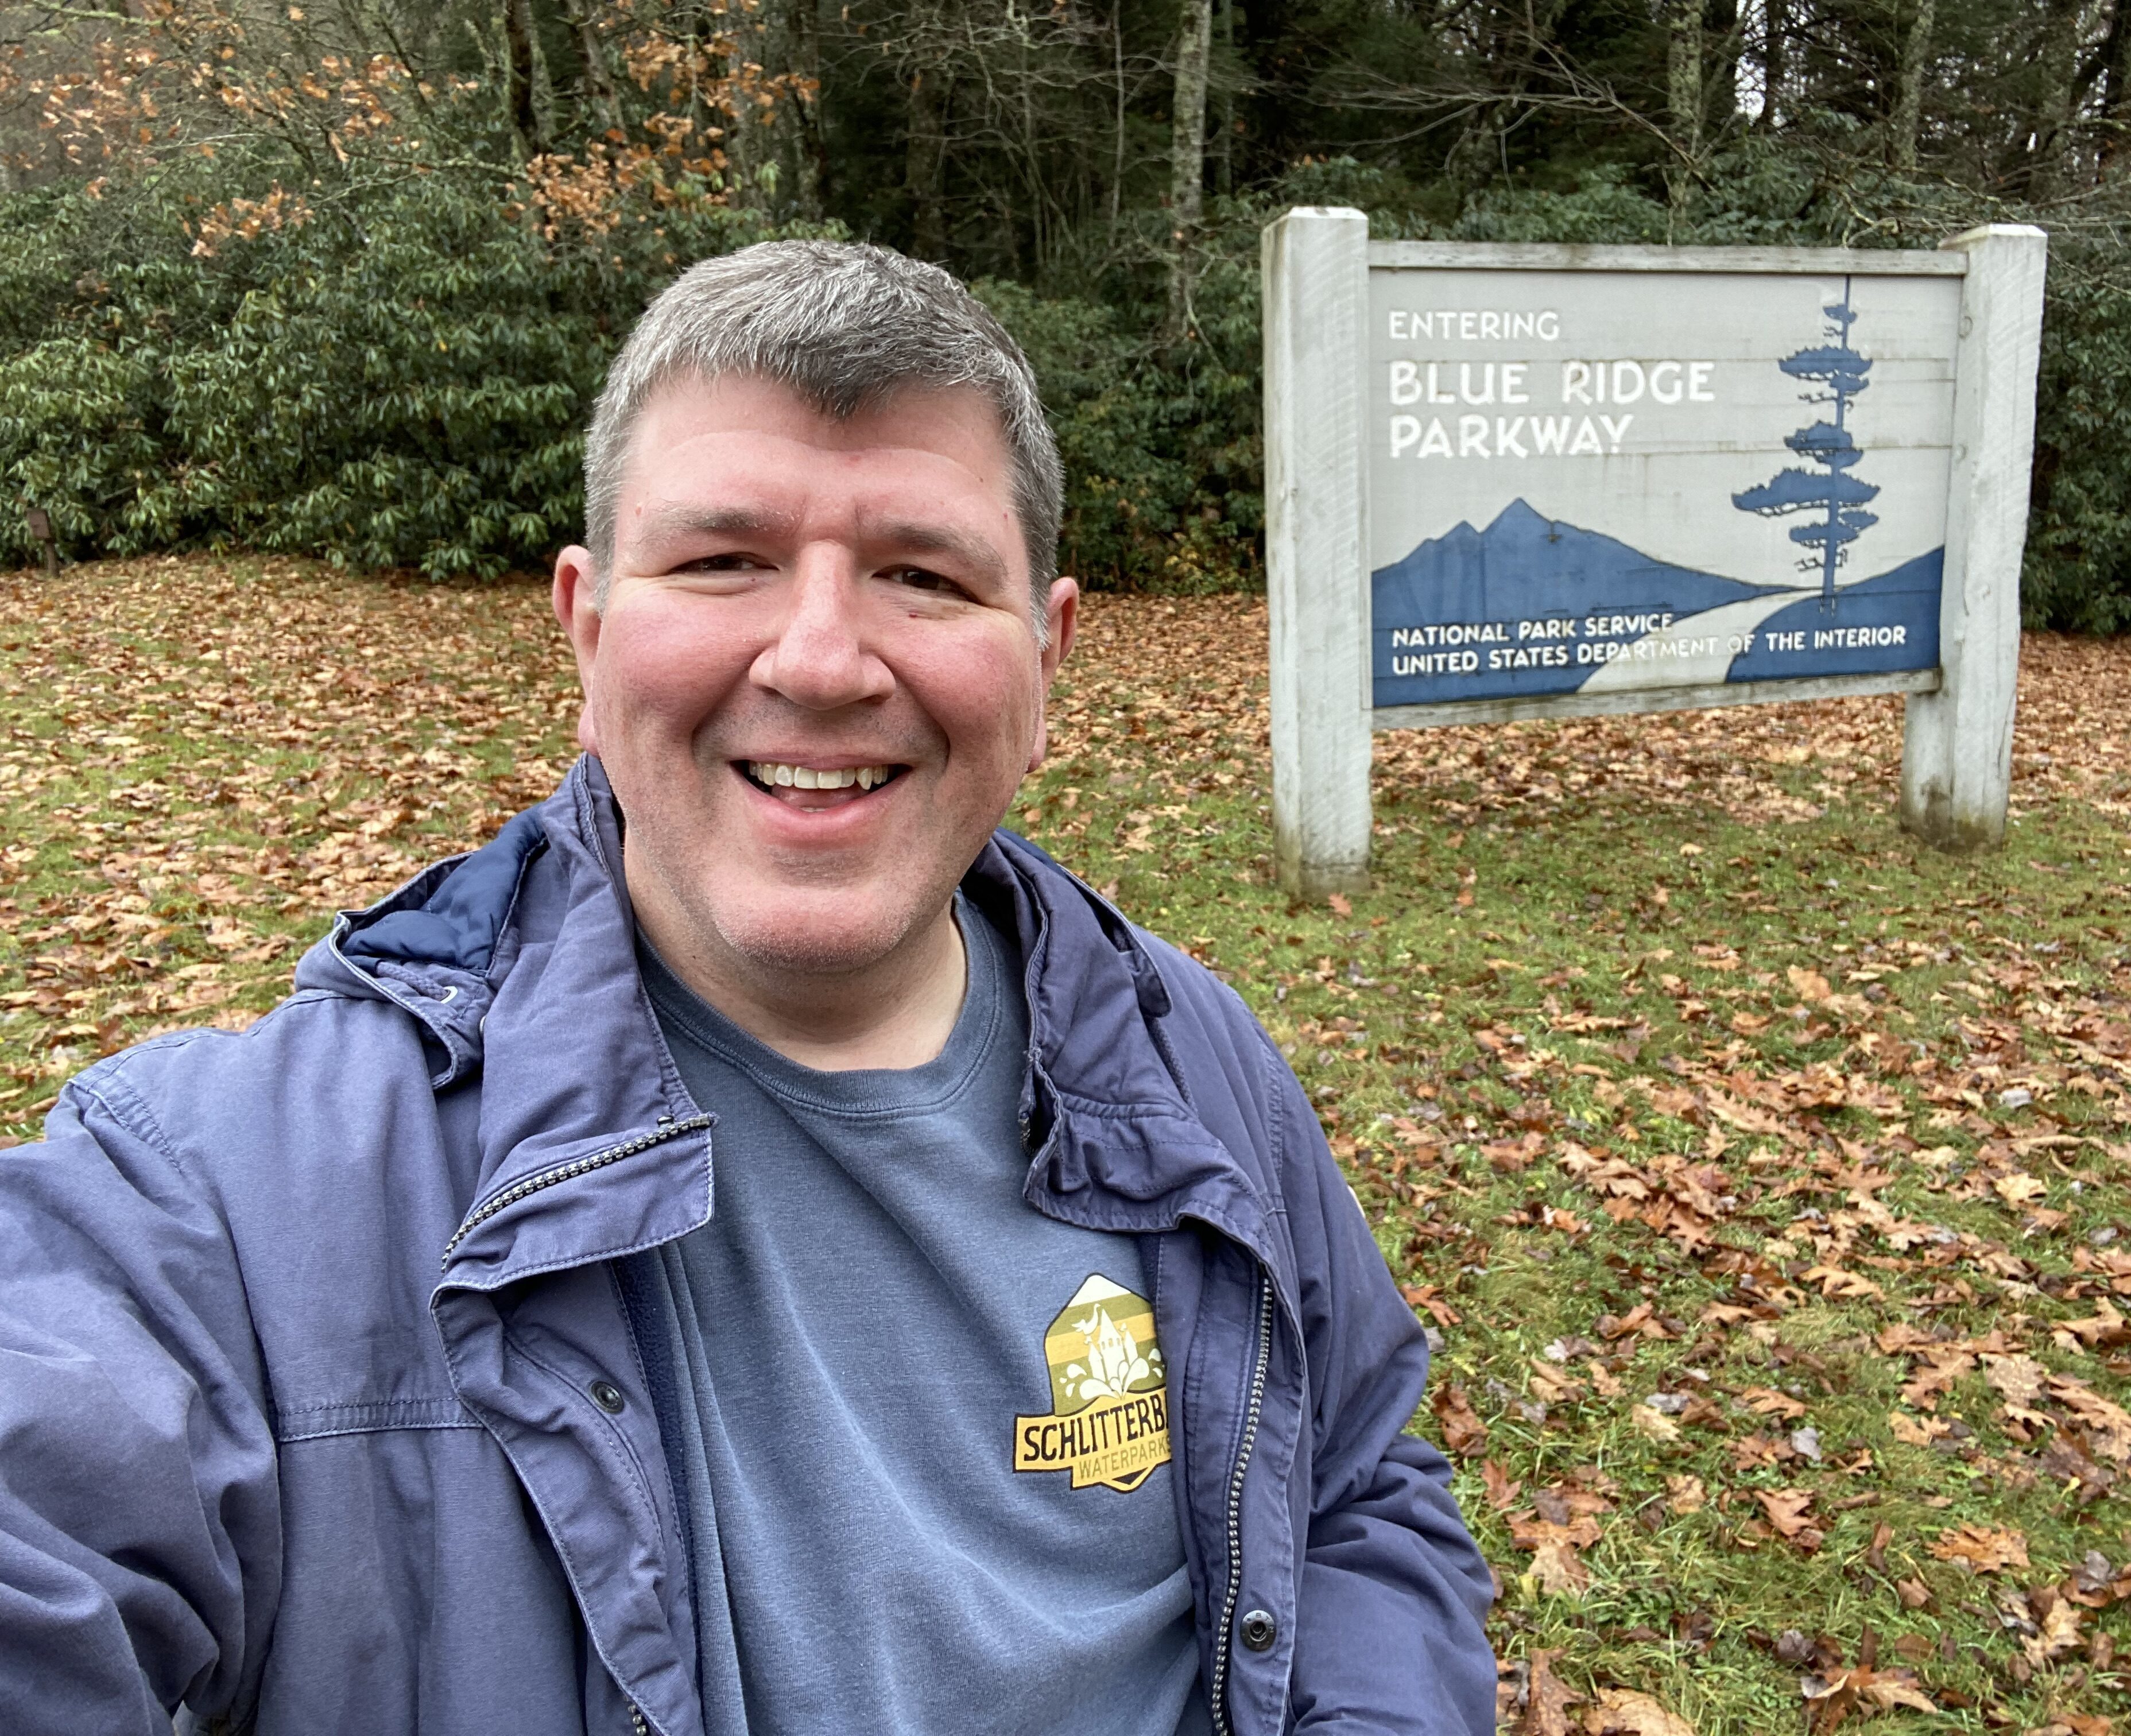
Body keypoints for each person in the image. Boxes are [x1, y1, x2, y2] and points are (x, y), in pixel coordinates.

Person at [0, 241, 1495, 1735]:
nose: (825, 658)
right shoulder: (234, 1196)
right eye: (724, 560)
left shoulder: (1191, 1056)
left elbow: (1356, 1484)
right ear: (588, 632)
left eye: (922, 573)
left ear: (1046, 657)